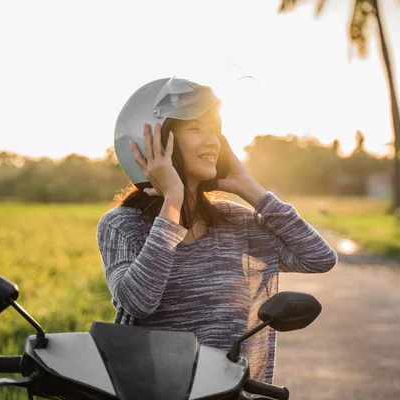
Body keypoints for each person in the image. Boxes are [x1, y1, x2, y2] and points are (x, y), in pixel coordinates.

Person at [97, 77, 337, 383]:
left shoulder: (233, 221)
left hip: (226, 390)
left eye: (215, 131)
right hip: (153, 388)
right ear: (155, 141)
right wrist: (173, 200)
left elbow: (318, 258)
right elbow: (139, 302)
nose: (213, 141)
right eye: (196, 129)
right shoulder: (123, 224)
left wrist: (249, 188)